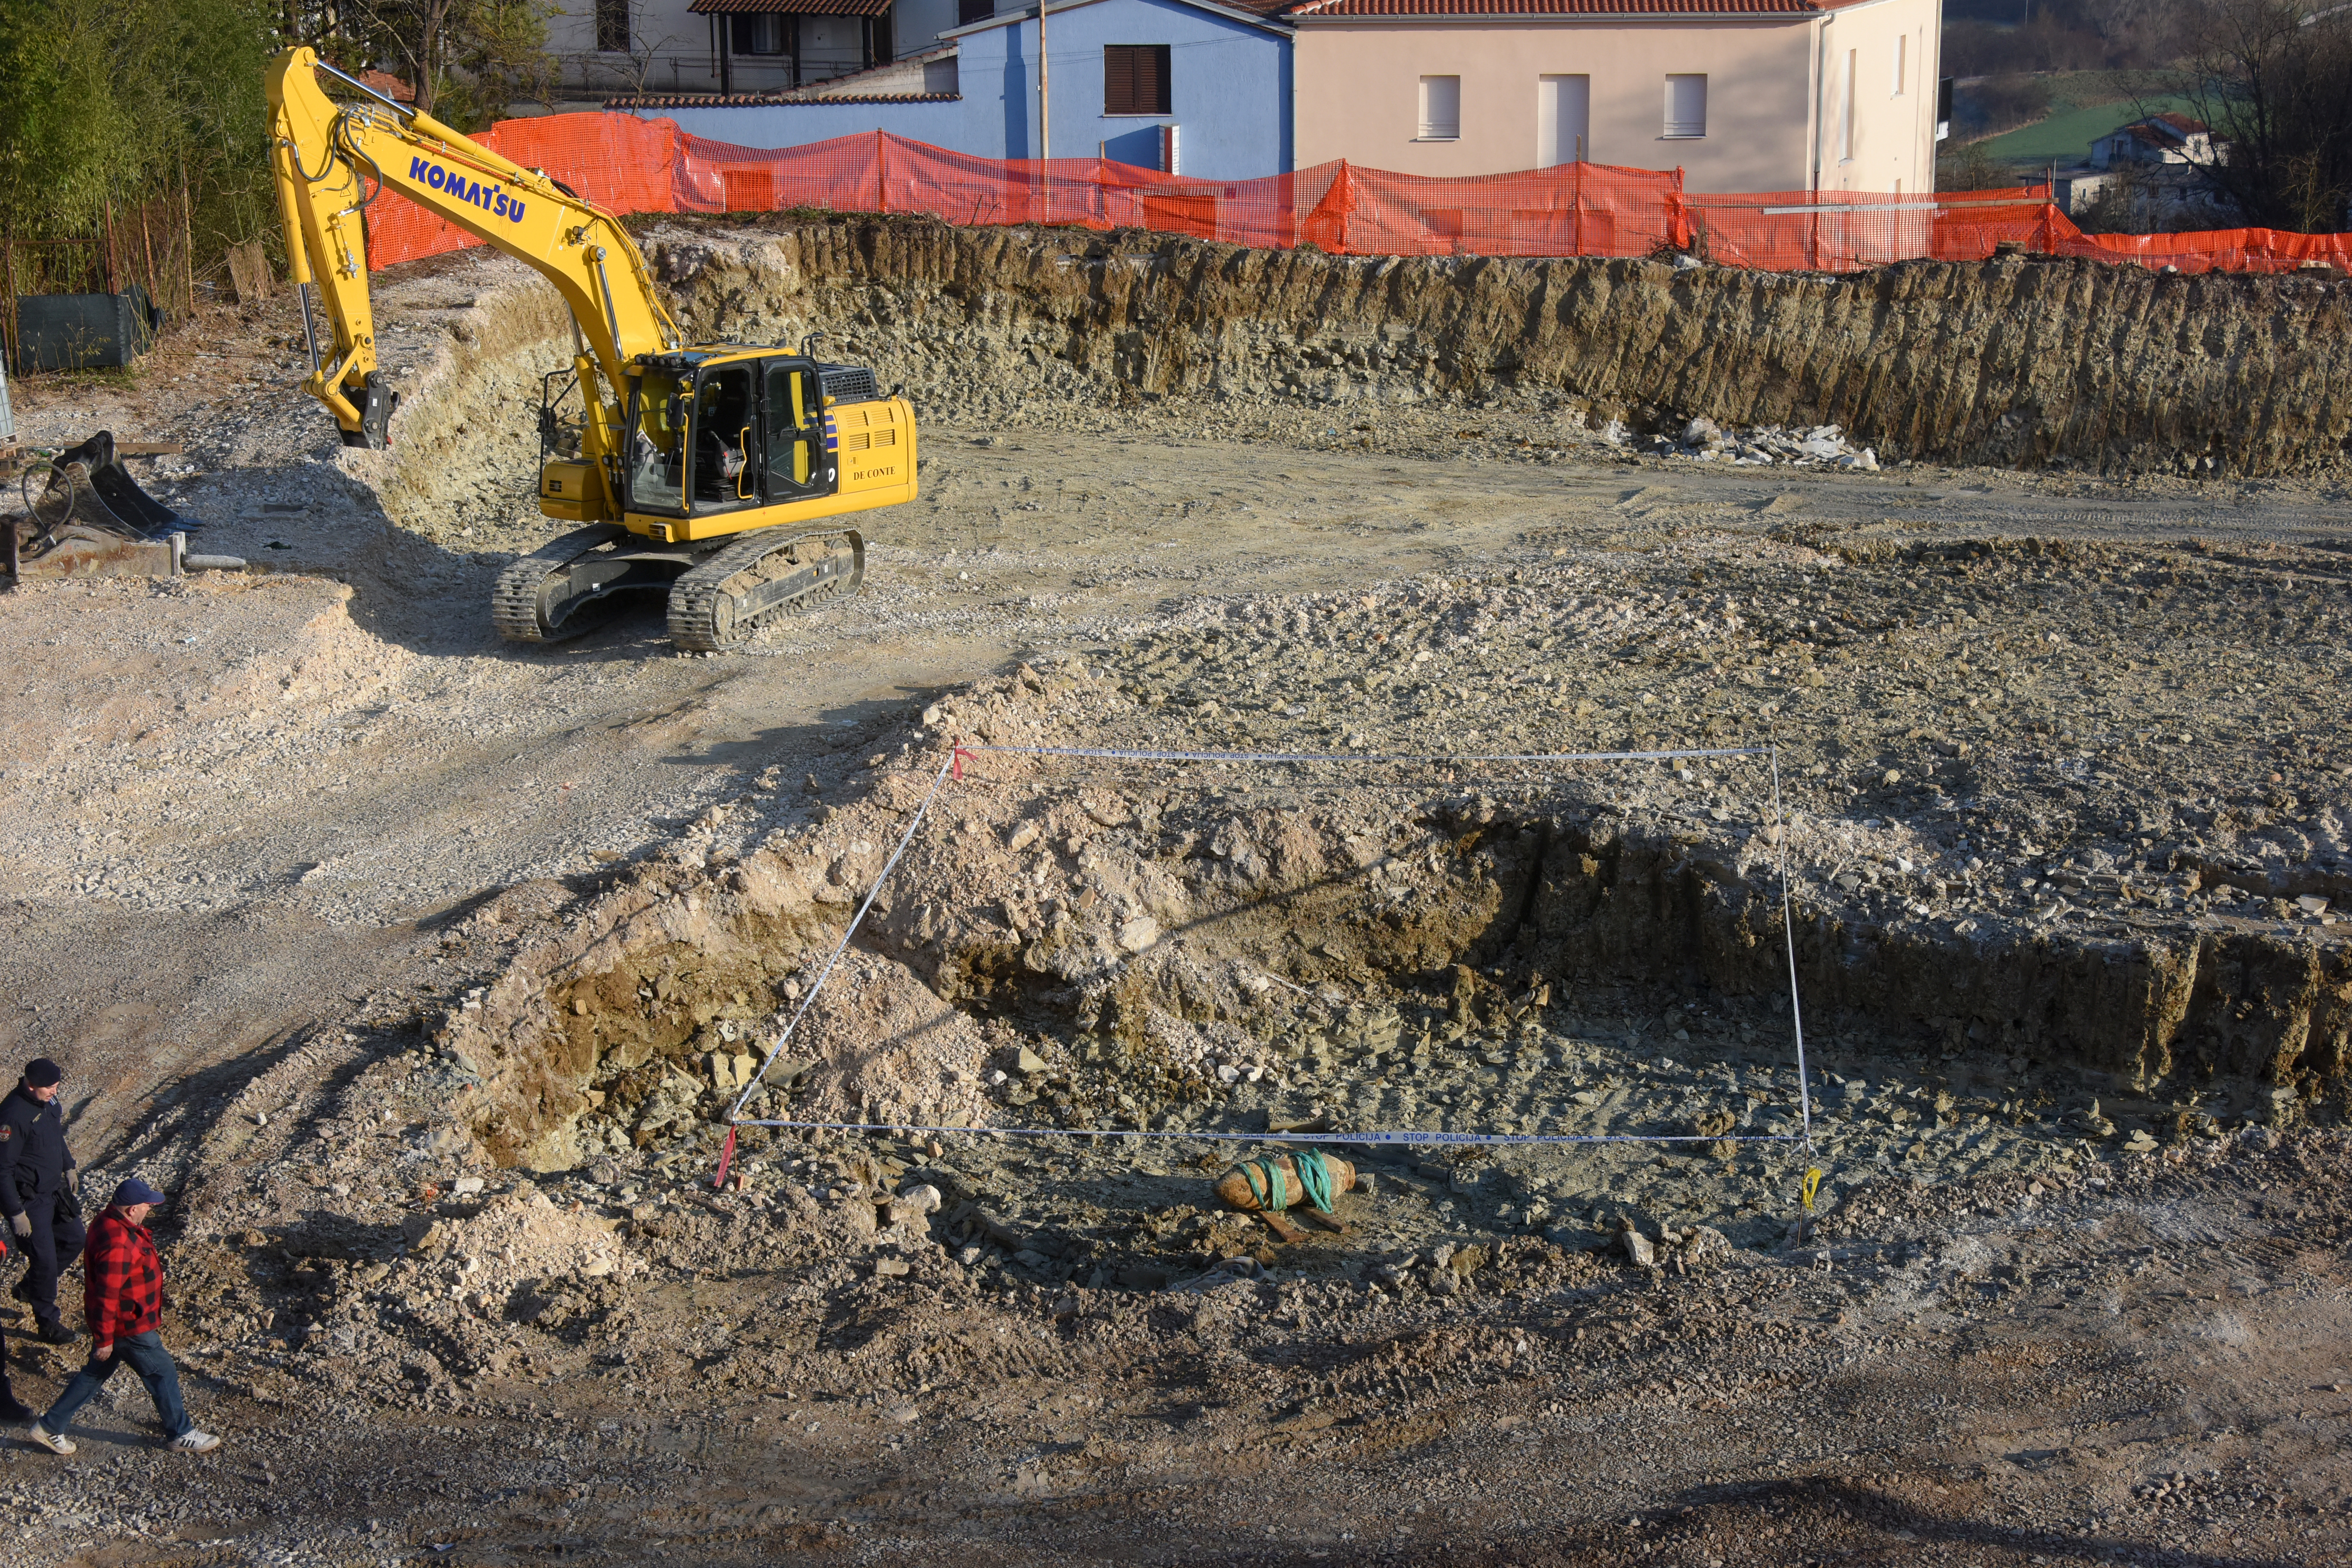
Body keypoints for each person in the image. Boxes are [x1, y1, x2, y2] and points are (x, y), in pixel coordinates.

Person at [29, 1178, 220, 1455]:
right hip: (128, 1324)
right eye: (146, 1205)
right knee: (163, 1372)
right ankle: (181, 1433)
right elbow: (108, 1295)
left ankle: (49, 1427)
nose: (149, 1209)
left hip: (119, 1322)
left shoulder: (108, 1221)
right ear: (132, 1209)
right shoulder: (119, 1242)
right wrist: (105, 1339)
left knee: (95, 1373)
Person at [0, 1057, 83, 1345]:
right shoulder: (12, 1116)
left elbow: (55, 1134)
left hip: (54, 1192)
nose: (55, 1092)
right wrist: (15, 1213)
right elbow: (2, 1170)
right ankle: (48, 1325)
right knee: (45, 1261)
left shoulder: (48, 1102)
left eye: (57, 1086)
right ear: (31, 1085)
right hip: (30, 1201)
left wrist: (69, 1166)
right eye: (50, 1087)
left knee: (75, 1239)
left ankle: (29, 1287)